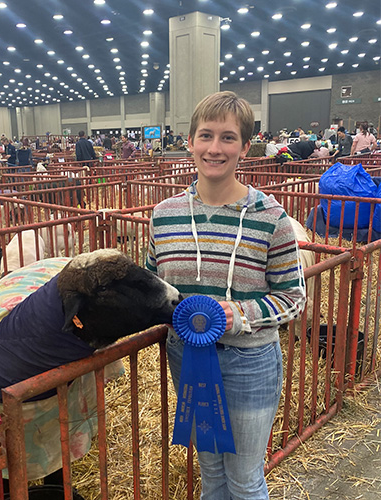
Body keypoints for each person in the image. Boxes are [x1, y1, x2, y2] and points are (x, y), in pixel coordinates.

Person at [146, 91, 306, 500]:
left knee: (245, 478)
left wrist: (237, 314)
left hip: (249, 362)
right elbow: (152, 287)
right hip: (187, 356)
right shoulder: (163, 216)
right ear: (190, 141)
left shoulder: (273, 219)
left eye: (228, 138)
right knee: (211, 471)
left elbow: (292, 298)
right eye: (206, 136)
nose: (214, 148)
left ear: (245, 147)